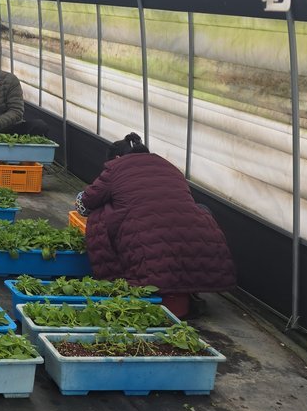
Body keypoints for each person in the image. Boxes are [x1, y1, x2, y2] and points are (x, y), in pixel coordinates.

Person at [76, 133, 237, 318]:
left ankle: (121, 280)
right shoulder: (169, 166)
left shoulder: (116, 168)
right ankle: (190, 293)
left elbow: (86, 203)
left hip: (148, 246)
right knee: (197, 210)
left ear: (118, 157)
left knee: (100, 215)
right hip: (195, 246)